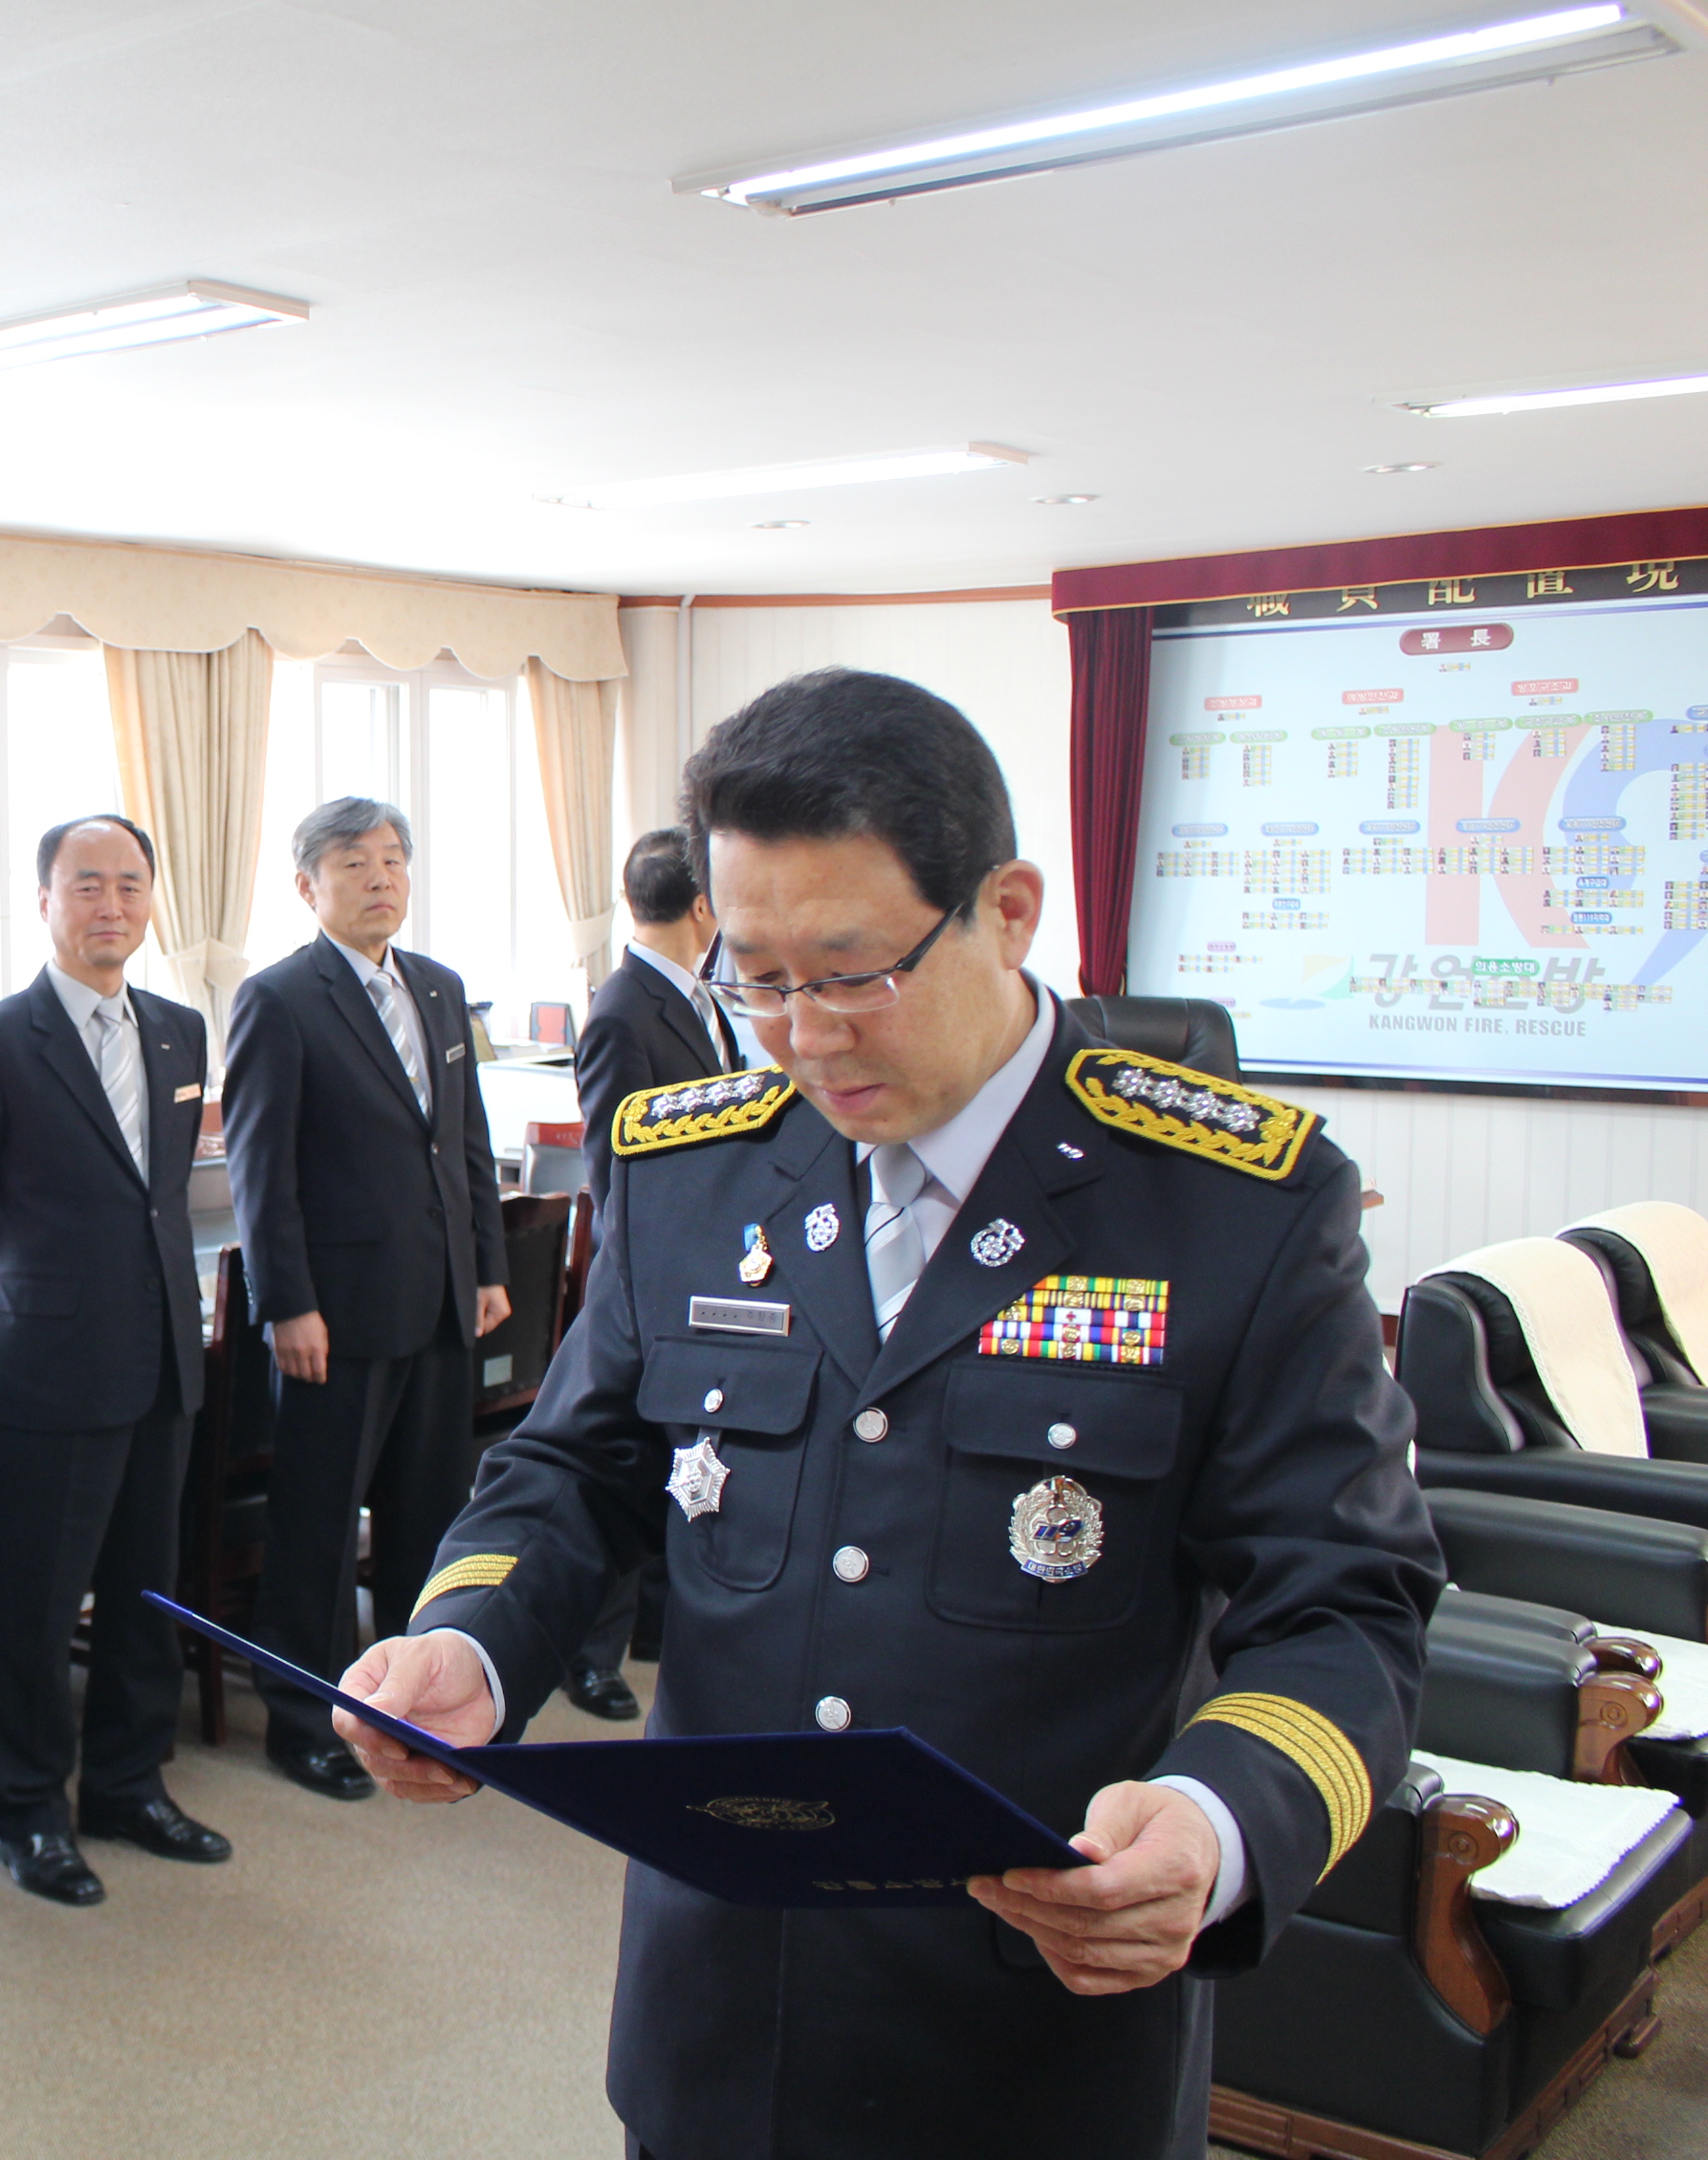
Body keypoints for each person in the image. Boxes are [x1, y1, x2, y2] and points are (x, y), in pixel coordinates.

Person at [338, 668, 1441, 2160]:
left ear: (1008, 912)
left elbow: (1345, 1604)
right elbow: (579, 1471)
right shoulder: (693, 1170)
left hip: (1035, 2037)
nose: (805, 1036)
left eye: (854, 973)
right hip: (718, 2019)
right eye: (757, 979)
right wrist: (474, 1639)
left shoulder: (1230, 1205)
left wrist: (1219, 1818)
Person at [0, 815, 230, 1908]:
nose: (112, 905)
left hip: (163, 1356)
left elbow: (161, 1197)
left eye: (131, 885)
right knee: (38, 1607)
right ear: (45, 900)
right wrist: (23, 1319)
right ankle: (27, 1810)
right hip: (49, 1368)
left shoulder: (180, 1032)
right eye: (88, 885)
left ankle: (127, 1786)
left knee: (147, 1592)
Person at [223, 797, 511, 1799]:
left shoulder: (439, 987)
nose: (382, 877)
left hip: (438, 1298)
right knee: (316, 1527)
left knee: (429, 1516)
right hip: (334, 1315)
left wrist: (487, 1268)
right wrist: (285, 1303)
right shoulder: (278, 999)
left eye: (393, 859)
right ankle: (301, 1717)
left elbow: (464, 1141)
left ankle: (415, 1702)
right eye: (355, 862)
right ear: (309, 886)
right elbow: (261, 1169)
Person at [559, 825, 737, 1720]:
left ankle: (657, 1631)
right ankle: (591, 1655)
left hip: (719, 1269)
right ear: (705, 904)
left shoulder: (704, 997)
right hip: (655, 1280)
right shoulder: (623, 1009)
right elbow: (614, 1172)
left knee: (693, 1464)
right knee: (630, 1462)